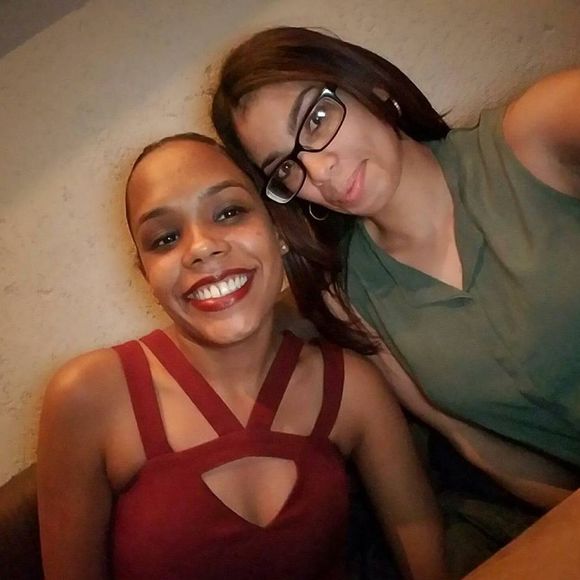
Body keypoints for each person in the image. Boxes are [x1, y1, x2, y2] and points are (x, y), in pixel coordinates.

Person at [210, 25, 580, 572]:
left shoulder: (537, 137)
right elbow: (474, 441)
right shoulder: (348, 297)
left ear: (371, 85)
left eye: (316, 119)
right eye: (285, 167)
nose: (318, 171)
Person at [36, 133, 447, 580]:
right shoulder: (87, 396)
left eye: (229, 212)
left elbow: (429, 563)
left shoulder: (351, 388)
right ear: (146, 274)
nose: (201, 248)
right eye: (165, 238)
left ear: (278, 229)